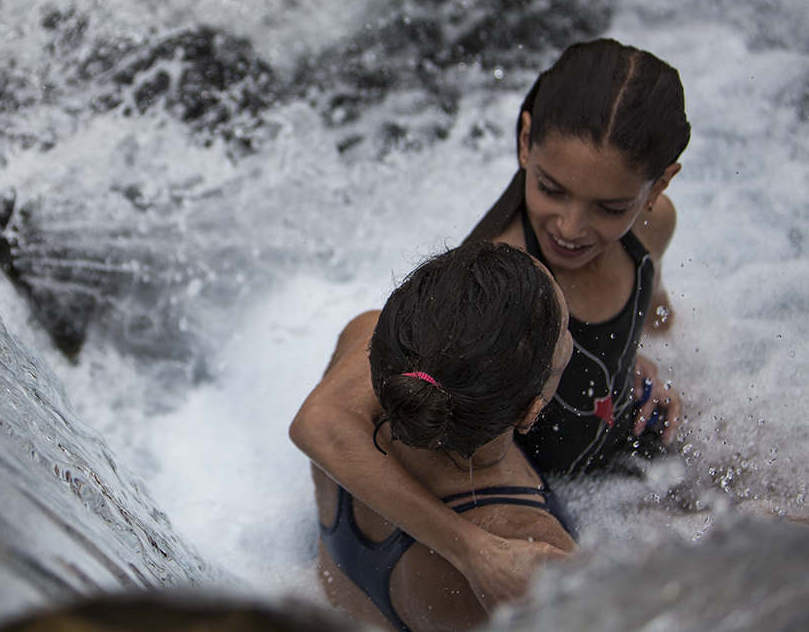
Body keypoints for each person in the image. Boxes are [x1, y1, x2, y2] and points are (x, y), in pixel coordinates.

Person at [290, 39, 691, 609]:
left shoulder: (652, 227)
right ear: (525, 142)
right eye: (552, 190)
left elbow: (658, 316)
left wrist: (641, 364)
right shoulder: (496, 293)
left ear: (659, 187)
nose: (572, 227)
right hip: (556, 497)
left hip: (620, 445)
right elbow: (325, 422)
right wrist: (471, 547)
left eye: (610, 207)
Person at [308, 241, 577, 632]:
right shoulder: (530, 548)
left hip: (329, 600)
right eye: (566, 331)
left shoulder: (366, 351)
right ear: (528, 411)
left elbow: (314, 422)